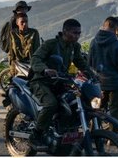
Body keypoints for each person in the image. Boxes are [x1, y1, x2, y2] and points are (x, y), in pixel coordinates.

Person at [29, 18, 91, 148]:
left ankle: (63, 131)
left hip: (61, 81)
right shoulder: (51, 44)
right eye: (74, 33)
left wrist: (93, 75)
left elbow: (80, 62)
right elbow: (35, 59)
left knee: (75, 101)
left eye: (79, 33)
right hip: (42, 81)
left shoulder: (75, 46)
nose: (77, 36)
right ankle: (36, 133)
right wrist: (45, 69)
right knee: (51, 104)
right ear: (65, 31)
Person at [88, 16, 118, 131]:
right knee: (115, 110)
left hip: (98, 83)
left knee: (96, 109)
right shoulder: (117, 44)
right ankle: (113, 137)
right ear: (114, 27)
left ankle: (94, 133)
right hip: (115, 83)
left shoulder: (93, 42)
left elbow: (89, 63)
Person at [0, 4, 41, 76]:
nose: (24, 24)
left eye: (26, 9)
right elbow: (12, 51)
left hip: (28, 62)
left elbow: (36, 49)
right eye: (23, 9)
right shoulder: (12, 28)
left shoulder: (33, 33)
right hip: (18, 62)